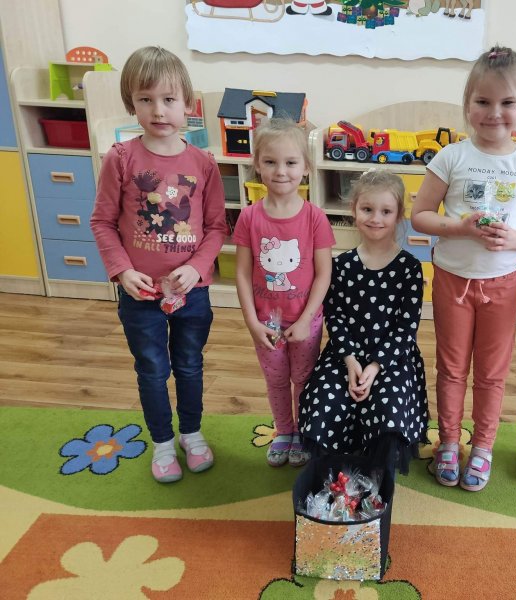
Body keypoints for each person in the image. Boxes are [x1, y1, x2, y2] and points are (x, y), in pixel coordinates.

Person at [410, 45, 516, 492]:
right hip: (452, 280)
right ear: (468, 103)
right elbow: (420, 216)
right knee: (451, 368)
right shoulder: (450, 157)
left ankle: (484, 446)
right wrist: (460, 227)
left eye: (507, 102)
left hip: (505, 283)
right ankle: (450, 441)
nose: (494, 113)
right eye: (483, 101)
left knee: (492, 372)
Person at [90, 46, 226, 483]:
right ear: (132, 103)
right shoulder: (120, 158)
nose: (158, 110)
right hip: (140, 294)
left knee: (189, 365)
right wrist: (122, 271)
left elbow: (217, 228)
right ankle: (163, 443)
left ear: (188, 104)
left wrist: (198, 267)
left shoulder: (204, 164)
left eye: (169, 99)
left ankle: (191, 433)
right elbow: (102, 221)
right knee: (152, 370)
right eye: (146, 99)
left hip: (192, 294)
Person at [299, 170, 428, 475]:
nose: (376, 219)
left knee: (389, 407)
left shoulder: (409, 267)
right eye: (367, 209)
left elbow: (406, 328)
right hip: (344, 355)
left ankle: (375, 467)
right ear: (354, 210)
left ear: (399, 215)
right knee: (324, 401)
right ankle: (335, 467)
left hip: (392, 359)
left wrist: (374, 367)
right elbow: (335, 317)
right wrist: (350, 362)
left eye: (386, 211)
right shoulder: (341, 265)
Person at [233, 118, 334, 469]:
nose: (281, 171)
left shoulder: (315, 217)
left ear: (305, 168)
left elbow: (324, 274)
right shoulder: (248, 217)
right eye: (271, 162)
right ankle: (284, 431)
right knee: (276, 380)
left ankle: (303, 431)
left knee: (303, 379)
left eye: (291, 162)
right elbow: (242, 273)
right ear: (257, 165)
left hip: (306, 321)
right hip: (266, 323)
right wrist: (251, 321)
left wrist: (306, 319)